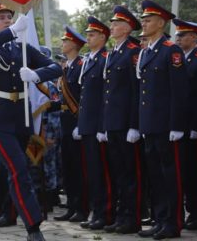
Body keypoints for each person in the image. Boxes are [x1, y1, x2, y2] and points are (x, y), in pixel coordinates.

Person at [0, 1, 63, 241]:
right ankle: (33, 227)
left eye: (9, 17)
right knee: (18, 168)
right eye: (1, 17)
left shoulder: (21, 49)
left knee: (4, 176)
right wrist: (11, 32)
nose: (7, 20)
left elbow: (56, 67)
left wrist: (36, 74)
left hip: (20, 119)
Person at [136, 0, 188, 240]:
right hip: (150, 125)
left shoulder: (171, 50)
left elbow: (178, 91)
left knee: (170, 175)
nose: (143, 23)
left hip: (166, 126)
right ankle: (160, 219)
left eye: (148, 20)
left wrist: (177, 125)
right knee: (156, 176)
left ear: (160, 23)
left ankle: (173, 223)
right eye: (143, 19)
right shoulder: (147, 50)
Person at [102, 6, 144, 234]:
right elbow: (109, 93)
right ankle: (121, 216)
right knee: (119, 173)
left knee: (131, 174)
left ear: (128, 28)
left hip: (126, 123)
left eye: (117, 23)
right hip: (113, 123)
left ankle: (133, 218)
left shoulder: (133, 51)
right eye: (112, 23)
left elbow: (136, 91)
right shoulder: (114, 52)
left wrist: (134, 125)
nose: (112, 26)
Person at [173, 19, 197, 231]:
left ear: (193, 37)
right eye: (177, 35)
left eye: (183, 35)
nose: (178, 39)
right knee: (185, 172)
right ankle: (193, 211)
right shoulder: (179, 60)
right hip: (180, 125)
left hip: (194, 126)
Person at [77, 16, 115, 231]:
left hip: (98, 125)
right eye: (88, 34)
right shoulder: (89, 60)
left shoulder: (104, 59)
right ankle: (96, 211)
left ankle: (105, 213)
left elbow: (104, 97)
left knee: (102, 173)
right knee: (91, 173)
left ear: (102, 37)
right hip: (87, 124)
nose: (88, 38)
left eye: (92, 35)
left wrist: (102, 126)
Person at [53, 26, 89, 223]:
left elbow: (85, 97)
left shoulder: (82, 65)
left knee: (79, 168)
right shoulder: (67, 67)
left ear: (74, 44)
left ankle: (82, 208)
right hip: (65, 123)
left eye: (65, 41)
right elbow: (62, 100)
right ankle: (72, 207)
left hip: (76, 123)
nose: (62, 44)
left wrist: (80, 123)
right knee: (68, 168)